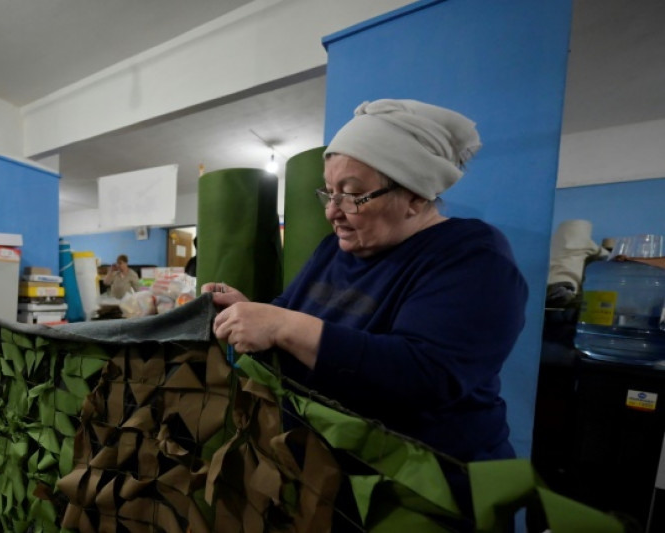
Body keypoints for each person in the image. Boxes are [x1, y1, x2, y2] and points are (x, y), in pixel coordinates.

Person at [202, 99, 528, 522]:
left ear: (414, 197)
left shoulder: (473, 260)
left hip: (425, 493)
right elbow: (291, 311)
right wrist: (252, 312)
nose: (332, 211)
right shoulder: (334, 250)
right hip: (328, 481)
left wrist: (284, 326)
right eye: (329, 192)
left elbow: (425, 374)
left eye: (354, 195)